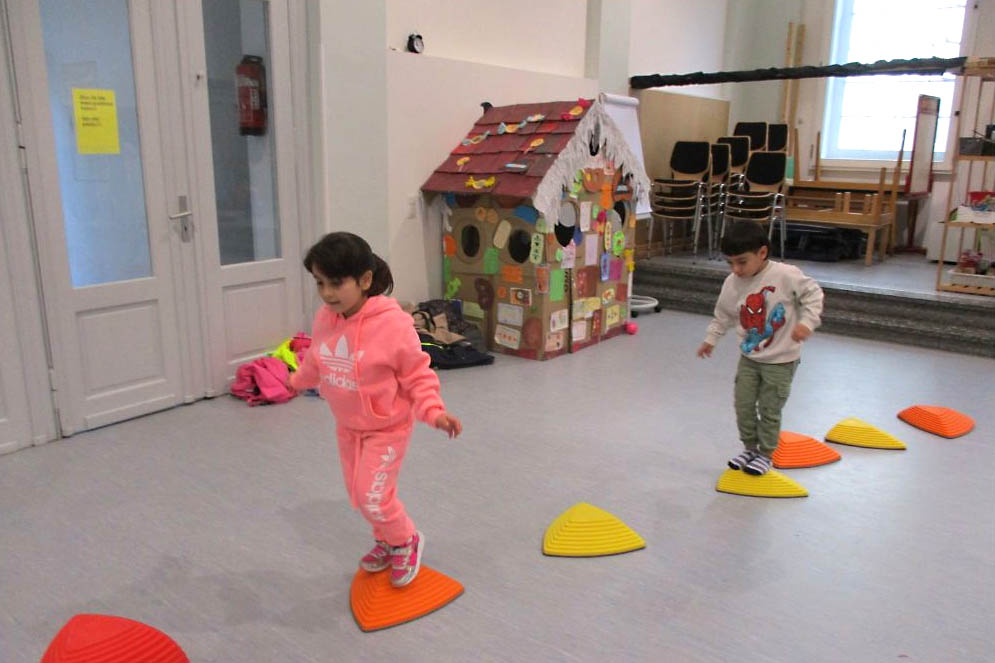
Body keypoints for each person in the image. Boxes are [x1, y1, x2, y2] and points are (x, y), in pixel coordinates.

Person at [290, 232, 462, 587]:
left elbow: (418, 374)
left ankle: (406, 540)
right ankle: (385, 538)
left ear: (365, 280)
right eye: (320, 283)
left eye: (336, 283)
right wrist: (295, 381)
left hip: (387, 427)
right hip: (348, 427)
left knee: (373, 495)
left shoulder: (393, 325)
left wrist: (434, 412)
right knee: (360, 493)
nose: (326, 293)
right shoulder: (326, 317)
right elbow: (317, 358)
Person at [697, 221, 824, 475]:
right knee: (742, 405)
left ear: (762, 253)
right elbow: (723, 314)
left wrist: (807, 323)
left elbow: (814, 294)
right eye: (730, 263)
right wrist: (711, 339)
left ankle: (766, 453)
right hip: (750, 358)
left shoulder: (786, 275)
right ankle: (750, 448)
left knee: (769, 408)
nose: (736, 269)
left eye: (742, 262)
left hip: (781, 360)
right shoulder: (732, 282)